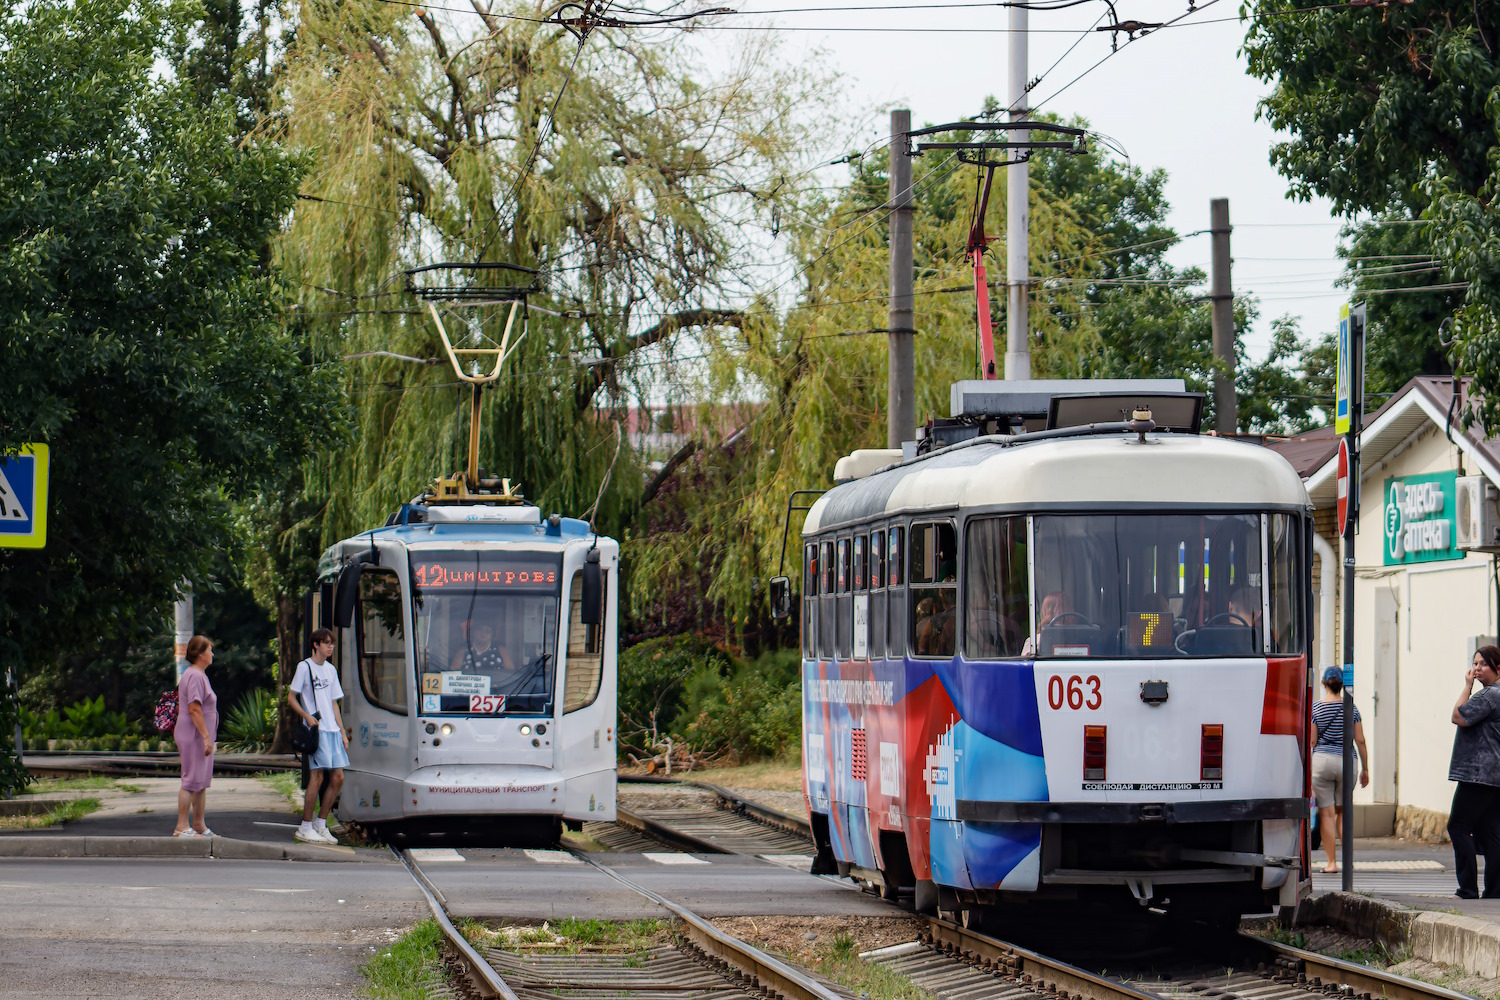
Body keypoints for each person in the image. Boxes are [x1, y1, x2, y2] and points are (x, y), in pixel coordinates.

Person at [1447, 644, 1500, 898]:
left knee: (1458, 826)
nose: (1476, 669)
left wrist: (1467, 687)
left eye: (1483, 664)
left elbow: (1458, 716)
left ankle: (1467, 888)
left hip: (1478, 773)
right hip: (1495, 775)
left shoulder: (1489, 695)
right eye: (1475, 663)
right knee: (1491, 831)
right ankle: (1495, 889)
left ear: (1498, 669)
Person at [288, 628, 348, 845]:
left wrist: (342, 731)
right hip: (317, 730)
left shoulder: (331, 670)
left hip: (332, 730)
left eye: (331, 643)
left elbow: (334, 703)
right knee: (317, 776)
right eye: (326, 643)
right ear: (316, 645)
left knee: (338, 777)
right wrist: (306, 716)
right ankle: (305, 826)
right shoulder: (304, 667)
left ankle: (321, 822)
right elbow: (291, 697)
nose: (330, 646)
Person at [1310, 666, 1369, 873]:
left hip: (1322, 762)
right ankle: (1348, 862)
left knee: (1326, 813)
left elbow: (1312, 740)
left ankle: (1331, 863)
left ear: (1324, 683)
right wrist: (1365, 769)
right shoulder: (1351, 708)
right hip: (1346, 761)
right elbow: (1359, 740)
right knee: (1342, 813)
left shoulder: (1315, 709)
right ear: (1342, 685)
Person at [173, 635, 218, 837]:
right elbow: (194, 709)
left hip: (199, 734)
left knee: (201, 780)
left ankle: (199, 824)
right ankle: (181, 826)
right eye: (209, 650)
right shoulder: (195, 676)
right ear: (200, 654)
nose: (212, 654)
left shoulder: (199, 675)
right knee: (191, 780)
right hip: (193, 735)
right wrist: (206, 737)